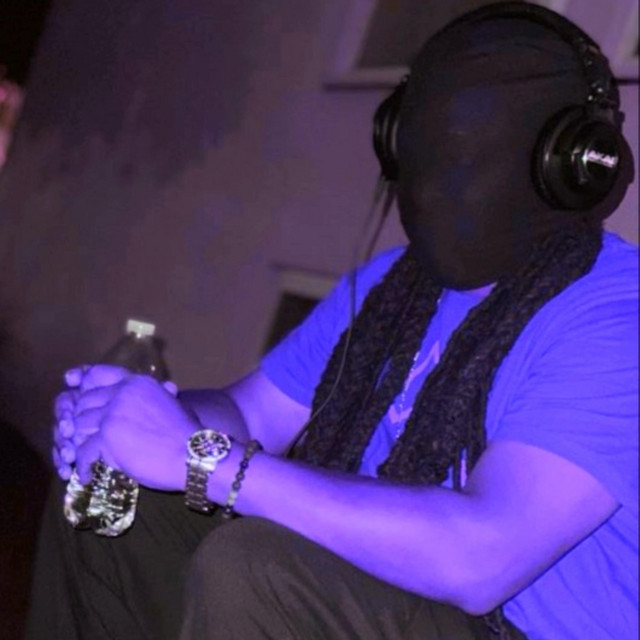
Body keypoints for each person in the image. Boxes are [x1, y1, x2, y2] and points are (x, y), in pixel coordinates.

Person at [25, 3, 637, 640]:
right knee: (111, 495)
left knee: (260, 569)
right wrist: (135, 424)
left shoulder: (618, 318)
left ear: (577, 164)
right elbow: (247, 415)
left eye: (483, 148)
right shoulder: (392, 286)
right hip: (389, 600)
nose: (450, 173)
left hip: (509, 628)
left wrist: (201, 460)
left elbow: (480, 558)